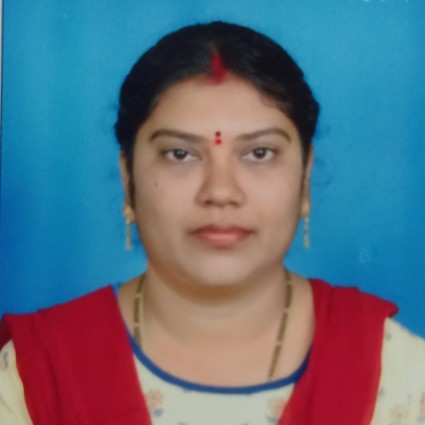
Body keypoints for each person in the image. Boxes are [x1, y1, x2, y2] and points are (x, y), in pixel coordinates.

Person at [0, 21, 424, 425]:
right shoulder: (32, 373)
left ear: (305, 177)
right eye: (181, 154)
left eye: (259, 153)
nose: (220, 192)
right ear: (128, 178)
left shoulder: (400, 376)